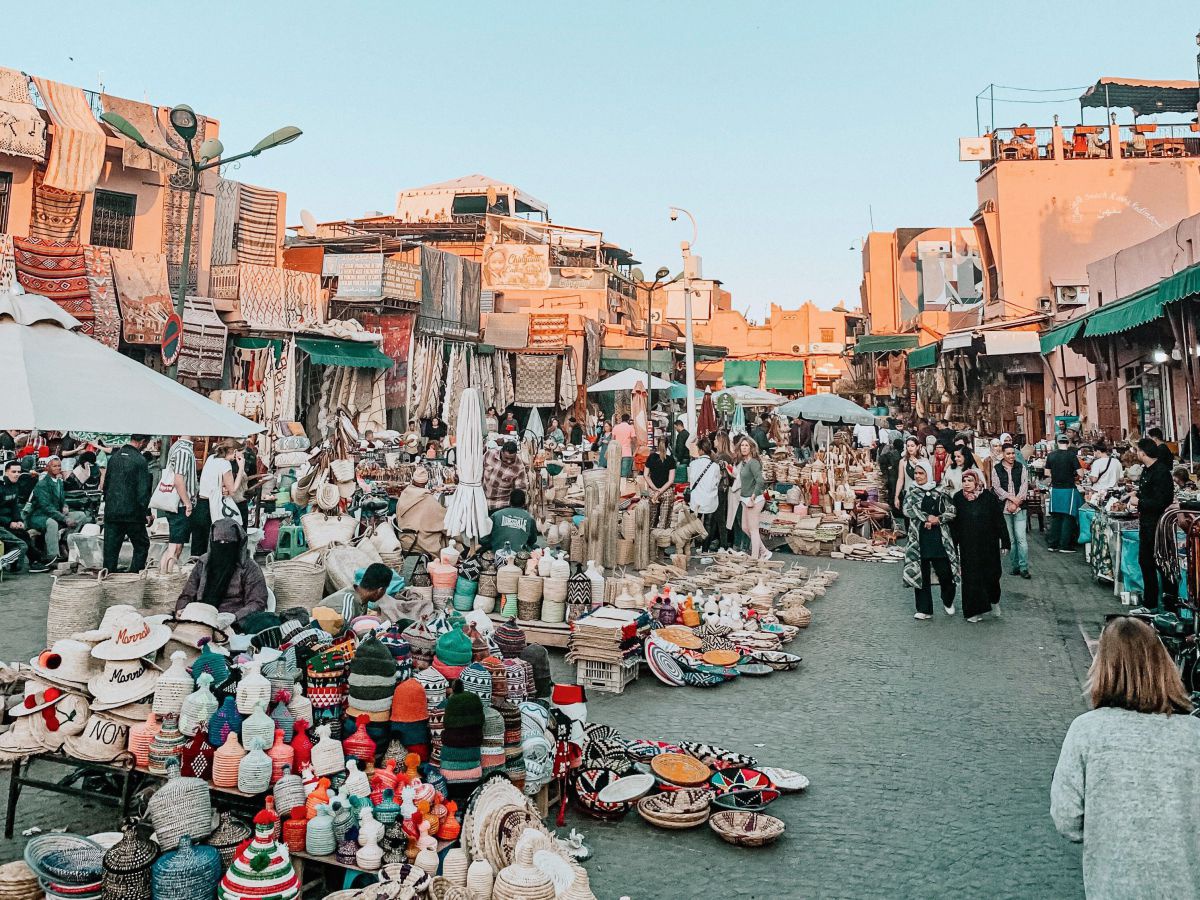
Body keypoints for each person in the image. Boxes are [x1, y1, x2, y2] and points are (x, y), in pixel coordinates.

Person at [1050, 617, 1199, 898]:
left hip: (1112, 886)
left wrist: (1109, 828)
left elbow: (1066, 818)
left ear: (1103, 668)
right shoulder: (1195, 735)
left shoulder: (1086, 731)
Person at [175, 518, 268, 624]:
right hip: (200, 618)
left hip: (233, 622)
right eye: (218, 542)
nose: (223, 546)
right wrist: (181, 610)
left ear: (237, 543)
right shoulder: (203, 563)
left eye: (228, 542)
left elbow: (257, 602)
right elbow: (187, 594)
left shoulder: (249, 567)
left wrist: (235, 617)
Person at [902, 460, 959, 619]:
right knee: (921, 573)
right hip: (919, 538)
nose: (918, 476)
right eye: (916, 473)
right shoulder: (911, 491)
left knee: (945, 572)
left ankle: (947, 599)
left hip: (939, 537)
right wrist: (926, 518)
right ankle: (924, 609)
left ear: (929, 474)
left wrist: (938, 520)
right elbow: (908, 510)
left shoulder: (940, 491)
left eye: (921, 473)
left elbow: (952, 511)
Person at [951, 468, 1009, 621]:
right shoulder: (958, 498)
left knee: (992, 575)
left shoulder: (988, 498)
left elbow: (999, 520)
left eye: (970, 480)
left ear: (977, 481)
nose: (966, 484)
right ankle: (973, 611)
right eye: (964, 481)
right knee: (971, 578)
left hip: (988, 545)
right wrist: (952, 543)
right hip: (968, 545)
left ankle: (994, 600)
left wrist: (1005, 542)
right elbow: (954, 524)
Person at [1132, 437, 1175, 610]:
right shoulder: (1147, 470)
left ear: (1143, 453)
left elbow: (1162, 501)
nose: (1136, 453)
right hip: (1146, 523)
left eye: (1137, 451)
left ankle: (1169, 605)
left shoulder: (1161, 472)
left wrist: (1139, 502)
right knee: (1145, 561)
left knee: (1162, 564)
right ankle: (1150, 603)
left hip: (1158, 524)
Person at [100, 436, 152, 573]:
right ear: (143, 442)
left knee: (110, 550)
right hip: (132, 513)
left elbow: (106, 485)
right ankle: (134, 576)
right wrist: (146, 512)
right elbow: (143, 491)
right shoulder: (140, 461)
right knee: (141, 545)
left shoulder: (114, 458)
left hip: (112, 511)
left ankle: (107, 578)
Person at [29, 457, 87, 565]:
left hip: (56, 513)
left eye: (59, 466)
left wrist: (65, 505)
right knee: (52, 523)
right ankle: (52, 556)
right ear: (47, 468)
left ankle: (64, 542)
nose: (58, 468)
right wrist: (64, 518)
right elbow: (46, 508)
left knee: (81, 516)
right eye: (54, 466)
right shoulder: (42, 484)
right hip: (40, 516)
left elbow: (62, 500)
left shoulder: (59, 482)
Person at [0, 460, 49, 573]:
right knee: (21, 544)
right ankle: (16, 564)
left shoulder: (14, 486)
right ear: (6, 472)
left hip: (7, 522)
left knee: (24, 534)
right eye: (13, 471)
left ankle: (35, 561)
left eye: (18, 472)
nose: (17, 474)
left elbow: (14, 507)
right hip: (3, 524)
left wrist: (18, 520)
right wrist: (9, 523)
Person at [193, 439, 240, 557]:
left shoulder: (211, 458)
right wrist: (241, 468)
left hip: (201, 502)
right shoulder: (225, 464)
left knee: (199, 546)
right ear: (234, 451)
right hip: (213, 506)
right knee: (214, 542)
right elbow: (233, 489)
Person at [991, 444, 1030, 579]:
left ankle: (1024, 567)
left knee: (1021, 539)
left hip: (1019, 507)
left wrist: (1017, 501)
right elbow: (996, 487)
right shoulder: (997, 469)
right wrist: (1010, 498)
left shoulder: (1021, 467)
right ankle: (1015, 566)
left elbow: (1024, 485)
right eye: (1008, 453)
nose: (1011, 456)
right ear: (1003, 454)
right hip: (1004, 507)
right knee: (1011, 539)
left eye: (1013, 453)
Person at [161, 435, 197, 567]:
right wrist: (188, 503)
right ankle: (166, 577)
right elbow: (178, 479)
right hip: (180, 504)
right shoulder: (183, 450)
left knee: (175, 544)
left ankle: (165, 575)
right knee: (175, 546)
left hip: (178, 502)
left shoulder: (177, 447)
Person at [394, 467, 447, 556]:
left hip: (405, 538)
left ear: (413, 480)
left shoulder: (404, 494)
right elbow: (445, 522)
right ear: (426, 482)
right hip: (418, 541)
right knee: (448, 537)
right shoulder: (428, 500)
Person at [321, 561, 394, 624]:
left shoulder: (362, 600)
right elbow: (345, 635)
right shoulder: (348, 601)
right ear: (380, 590)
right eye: (385, 590)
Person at [1045, 434, 1083, 553]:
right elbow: (1081, 473)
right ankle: (1065, 545)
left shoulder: (1051, 455)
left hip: (1055, 489)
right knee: (1068, 517)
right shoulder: (1071, 456)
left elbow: (1047, 472)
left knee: (1056, 516)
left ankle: (1052, 544)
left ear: (1057, 443)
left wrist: (1057, 475)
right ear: (1068, 443)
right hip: (1068, 489)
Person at [737, 436, 769, 561]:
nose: (744, 448)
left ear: (751, 448)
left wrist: (753, 497)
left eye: (746, 445)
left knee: (753, 529)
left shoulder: (753, 462)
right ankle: (764, 551)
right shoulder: (745, 462)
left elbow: (760, 481)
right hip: (745, 498)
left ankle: (754, 557)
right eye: (742, 445)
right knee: (745, 527)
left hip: (754, 499)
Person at [482, 441, 530, 513]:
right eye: (506, 458)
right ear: (501, 452)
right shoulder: (489, 454)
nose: (509, 461)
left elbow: (520, 490)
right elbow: (478, 470)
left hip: (501, 506)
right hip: (482, 500)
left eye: (512, 458)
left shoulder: (519, 467)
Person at [486, 488, 537, 553]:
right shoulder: (529, 518)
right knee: (536, 547)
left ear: (510, 501)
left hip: (497, 553)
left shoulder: (496, 515)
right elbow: (532, 540)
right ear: (524, 502)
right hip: (519, 556)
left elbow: (484, 538)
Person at [644, 437, 675, 528]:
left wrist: (655, 489)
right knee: (664, 521)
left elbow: (646, 475)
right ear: (667, 445)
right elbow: (671, 480)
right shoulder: (670, 460)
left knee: (651, 519)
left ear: (657, 445)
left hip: (653, 493)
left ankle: (650, 537)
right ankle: (662, 538)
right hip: (666, 492)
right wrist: (660, 491)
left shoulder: (651, 457)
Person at [893, 436, 925, 512]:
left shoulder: (924, 461)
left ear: (917, 447)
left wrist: (918, 464)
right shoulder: (903, 461)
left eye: (912, 446)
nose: (910, 448)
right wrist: (896, 496)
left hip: (921, 493)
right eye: (908, 446)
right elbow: (900, 479)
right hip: (908, 493)